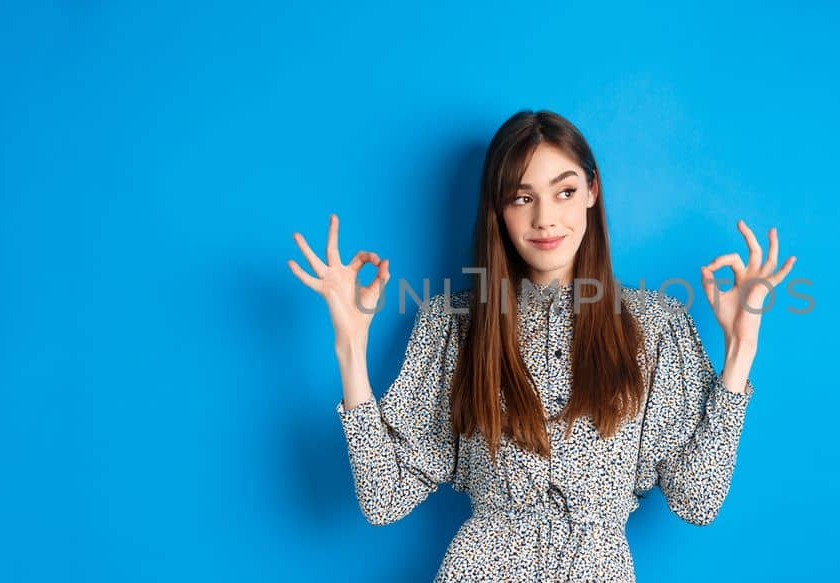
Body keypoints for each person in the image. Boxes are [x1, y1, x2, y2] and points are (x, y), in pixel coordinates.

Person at [286, 110, 797, 581]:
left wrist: (740, 350)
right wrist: (350, 347)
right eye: (522, 197)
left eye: (565, 191)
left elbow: (697, 500)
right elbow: (383, 499)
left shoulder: (655, 324)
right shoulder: (454, 323)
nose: (546, 219)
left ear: (593, 190)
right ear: (499, 210)